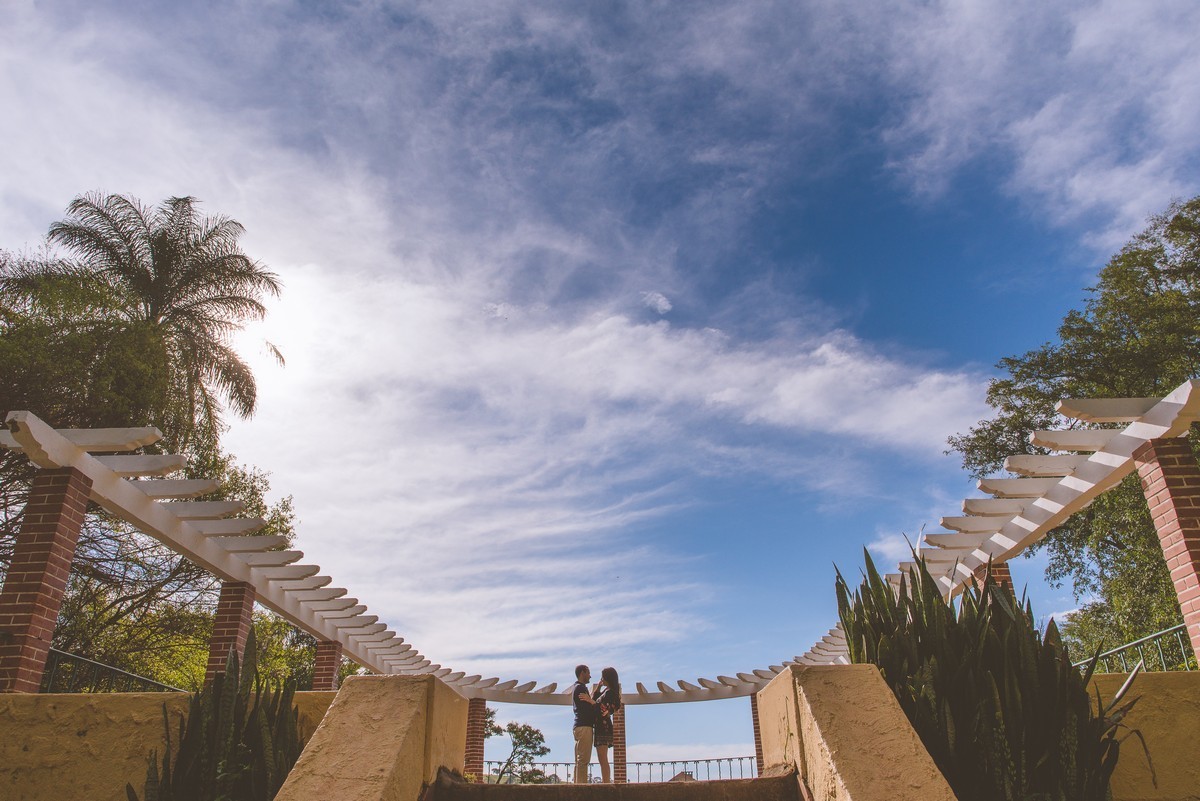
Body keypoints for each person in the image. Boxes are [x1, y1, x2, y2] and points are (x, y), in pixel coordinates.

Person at [592, 667, 622, 783]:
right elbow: (595, 699)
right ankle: (606, 782)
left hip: (603, 726)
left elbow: (602, 709)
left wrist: (591, 702)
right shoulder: (607, 691)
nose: (601, 679)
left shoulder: (610, 693)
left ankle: (606, 783)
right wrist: (598, 687)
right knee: (602, 757)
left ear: (608, 678)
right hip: (601, 726)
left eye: (603, 677)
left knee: (602, 757)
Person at [572, 664, 597, 783]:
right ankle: (581, 789)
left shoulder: (577, 687)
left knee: (579, 760)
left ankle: (577, 786)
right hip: (584, 727)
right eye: (588, 673)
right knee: (583, 760)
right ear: (582, 673)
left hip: (578, 727)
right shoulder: (581, 688)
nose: (590, 676)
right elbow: (588, 709)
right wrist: (594, 704)